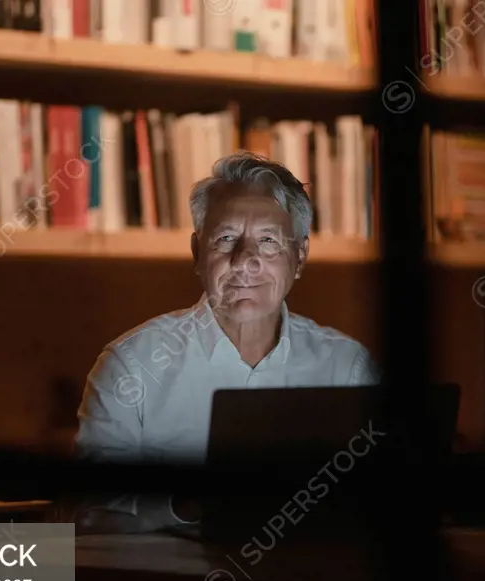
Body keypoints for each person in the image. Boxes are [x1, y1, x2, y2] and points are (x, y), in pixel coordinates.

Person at [69, 152, 379, 533]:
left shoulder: (347, 367)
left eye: (268, 241)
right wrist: (191, 504)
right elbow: (90, 517)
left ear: (299, 257)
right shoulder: (131, 365)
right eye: (226, 238)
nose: (245, 260)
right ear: (198, 254)